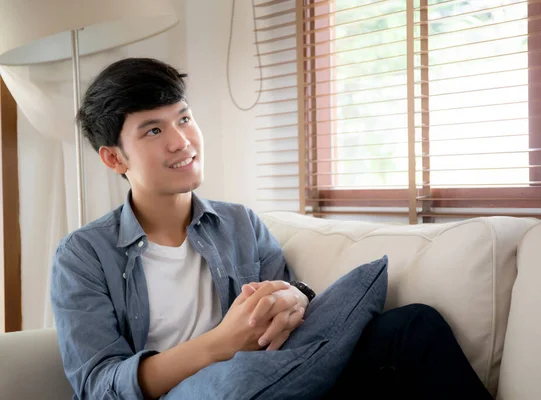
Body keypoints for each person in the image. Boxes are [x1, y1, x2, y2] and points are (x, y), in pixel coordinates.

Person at [50, 57, 493, 400]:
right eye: (152, 130)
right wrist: (219, 344)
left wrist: (296, 296)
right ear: (115, 158)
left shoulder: (240, 224)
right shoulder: (83, 255)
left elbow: (286, 302)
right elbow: (99, 385)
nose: (180, 141)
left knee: (412, 327)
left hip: (276, 379)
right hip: (203, 389)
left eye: (183, 118)